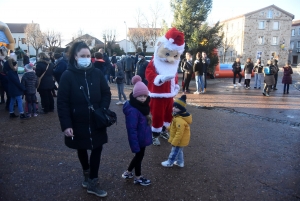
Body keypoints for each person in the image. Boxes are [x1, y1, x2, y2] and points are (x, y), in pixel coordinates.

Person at [57, 41, 111, 198]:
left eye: (88, 56)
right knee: (81, 148)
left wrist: (102, 109)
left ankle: (93, 181)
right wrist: (66, 125)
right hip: (77, 120)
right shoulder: (67, 75)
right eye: (82, 56)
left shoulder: (97, 73)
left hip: (97, 120)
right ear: (75, 56)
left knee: (97, 148)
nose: (86, 58)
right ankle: (86, 172)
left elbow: (106, 93)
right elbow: (62, 102)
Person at [145, 27, 184, 146]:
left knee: (168, 114)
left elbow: (175, 76)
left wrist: (176, 86)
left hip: (169, 95)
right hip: (157, 94)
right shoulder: (155, 61)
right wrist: (159, 79)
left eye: (174, 55)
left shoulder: (173, 64)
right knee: (157, 115)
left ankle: (162, 130)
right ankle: (154, 134)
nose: (171, 58)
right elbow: (148, 74)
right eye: (168, 54)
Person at [122, 75, 152, 186]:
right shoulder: (134, 110)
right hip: (138, 139)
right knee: (139, 157)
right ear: (135, 96)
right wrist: (134, 144)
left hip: (141, 138)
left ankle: (128, 172)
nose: (143, 98)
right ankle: (138, 177)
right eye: (140, 96)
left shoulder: (142, 106)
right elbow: (131, 129)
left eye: (145, 96)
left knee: (139, 156)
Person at [161, 95, 192, 168]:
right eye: (174, 106)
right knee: (179, 151)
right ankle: (180, 162)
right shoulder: (178, 116)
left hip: (179, 141)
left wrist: (175, 142)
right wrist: (168, 128)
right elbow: (173, 126)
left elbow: (179, 133)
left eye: (176, 107)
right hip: (180, 140)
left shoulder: (179, 120)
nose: (174, 108)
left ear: (181, 109)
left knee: (174, 151)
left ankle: (170, 162)